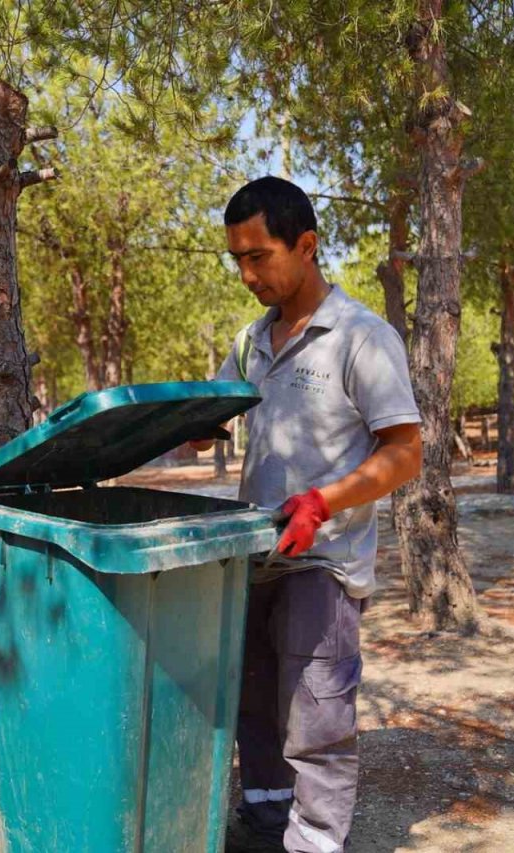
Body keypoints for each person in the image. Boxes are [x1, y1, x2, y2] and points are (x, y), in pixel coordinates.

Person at [191, 177, 422, 852]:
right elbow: (213, 410)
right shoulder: (251, 340)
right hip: (253, 557)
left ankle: (316, 840)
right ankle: (266, 818)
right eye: (236, 258)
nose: (246, 273)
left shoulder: (361, 338)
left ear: (308, 244)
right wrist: (189, 423)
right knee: (255, 704)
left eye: (259, 255)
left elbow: (406, 452)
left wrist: (323, 502)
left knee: (317, 716)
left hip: (322, 562)